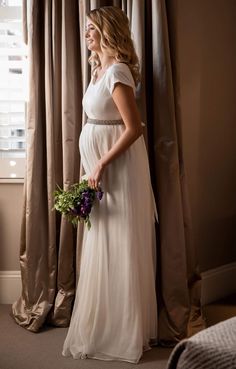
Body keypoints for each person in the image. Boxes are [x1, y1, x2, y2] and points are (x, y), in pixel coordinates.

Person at [62, 6, 158, 364]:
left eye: (91, 29)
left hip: (117, 167)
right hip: (99, 167)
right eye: (85, 28)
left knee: (119, 241)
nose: (86, 34)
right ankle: (104, 323)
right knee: (102, 240)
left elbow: (134, 129)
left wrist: (101, 162)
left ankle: (121, 330)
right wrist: (91, 163)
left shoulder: (117, 71)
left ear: (107, 30)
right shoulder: (97, 69)